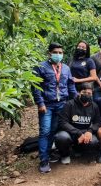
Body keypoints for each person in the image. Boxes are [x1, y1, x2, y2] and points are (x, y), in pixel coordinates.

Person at [32, 43, 77, 173]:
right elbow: (35, 87)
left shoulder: (66, 68)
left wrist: (76, 99)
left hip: (62, 104)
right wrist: (40, 103)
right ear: (49, 53)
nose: (58, 55)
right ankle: (44, 160)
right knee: (45, 131)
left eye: (60, 52)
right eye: (55, 52)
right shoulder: (40, 67)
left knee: (53, 130)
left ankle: (51, 153)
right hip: (47, 104)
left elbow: (70, 85)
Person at [54, 83, 101, 164]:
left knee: (93, 142)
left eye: (89, 93)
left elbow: (97, 122)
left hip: (85, 132)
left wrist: (90, 131)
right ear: (78, 92)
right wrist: (78, 133)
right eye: (84, 92)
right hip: (70, 132)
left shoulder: (94, 106)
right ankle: (65, 154)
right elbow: (63, 122)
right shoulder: (69, 104)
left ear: (92, 94)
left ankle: (79, 150)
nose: (86, 95)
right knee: (61, 137)